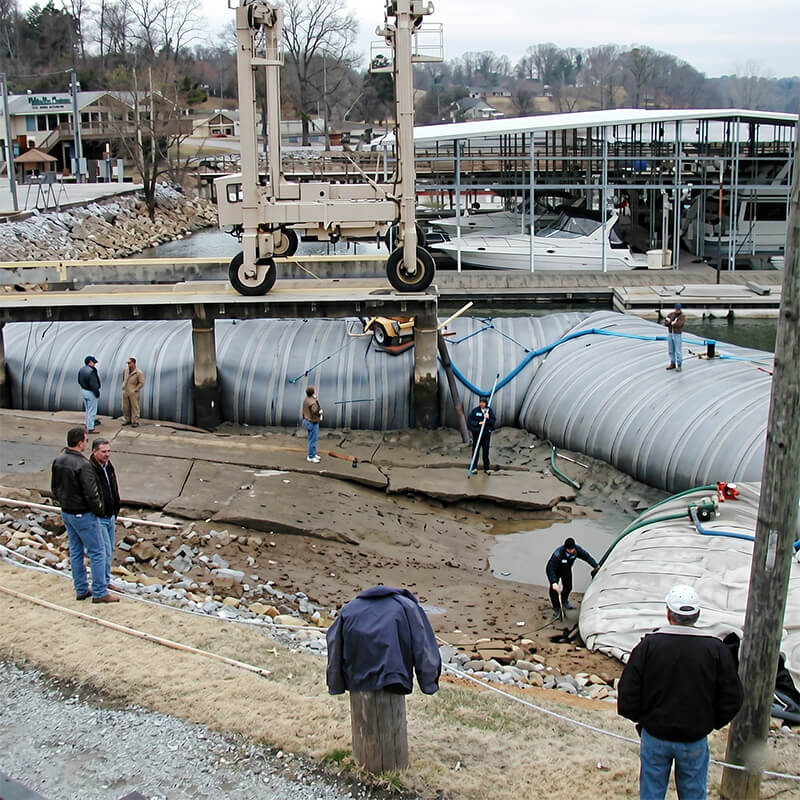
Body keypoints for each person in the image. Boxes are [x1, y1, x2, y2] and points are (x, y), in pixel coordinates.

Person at [618, 585, 743, 800]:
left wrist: (642, 720)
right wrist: (711, 722)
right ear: (697, 615)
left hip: (655, 734)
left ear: (668, 613)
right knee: (693, 795)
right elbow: (733, 696)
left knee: (651, 794)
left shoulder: (649, 646)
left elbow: (628, 690)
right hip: (694, 738)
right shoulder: (715, 650)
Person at [50, 426, 119, 603]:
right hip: (83, 514)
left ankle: (81, 589)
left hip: (67, 512)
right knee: (98, 552)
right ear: (81, 443)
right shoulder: (83, 464)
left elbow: (54, 488)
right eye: (86, 441)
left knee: (75, 551)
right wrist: (99, 511)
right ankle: (100, 592)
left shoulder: (59, 460)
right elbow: (91, 493)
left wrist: (63, 504)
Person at [90, 437, 121, 592]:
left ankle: (105, 580)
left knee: (110, 551)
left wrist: (115, 509)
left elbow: (113, 487)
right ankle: (100, 585)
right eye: (103, 452)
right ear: (94, 452)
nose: (107, 454)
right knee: (104, 552)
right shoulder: (90, 469)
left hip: (110, 516)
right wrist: (99, 510)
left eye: (109, 451)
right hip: (99, 517)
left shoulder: (108, 467)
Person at [545, 536, 598, 617]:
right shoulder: (558, 553)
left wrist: (595, 565)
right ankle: (557, 608)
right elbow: (550, 568)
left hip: (566, 569)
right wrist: (553, 582)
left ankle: (564, 600)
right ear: (565, 548)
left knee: (568, 587)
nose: (571, 551)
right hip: (556, 571)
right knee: (554, 590)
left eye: (572, 549)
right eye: (569, 550)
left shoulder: (577, 550)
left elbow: (586, 557)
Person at [467, 396, 496, 473]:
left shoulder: (489, 411)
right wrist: (478, 423)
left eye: (483, 402)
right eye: (480, 402)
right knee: (475, 451)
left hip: (486, 435)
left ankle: (486, 468)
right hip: (477, 434)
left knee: (485, 452)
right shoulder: (475, 411)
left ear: (486, 403)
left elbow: (493, 421)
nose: (481, 404)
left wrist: (488, 418)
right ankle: (474, 468)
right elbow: (470, 421)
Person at [78, 355, 101, 432]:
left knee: (88, 410)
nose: (94, 364)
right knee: (92, 411)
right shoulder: (91, 371)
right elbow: (93, 384)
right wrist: (97, 392)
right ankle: (90, 428)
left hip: (84, 391)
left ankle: (87, 425)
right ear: (90, 362)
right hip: (91, 392)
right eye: (93, 362)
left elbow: (79, 381)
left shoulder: (82, 370)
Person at [121, 357, 145, 427]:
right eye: (127, 363)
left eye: (129, 363)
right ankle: (127, 420)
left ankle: (135, 421)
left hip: (133, 392)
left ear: (133, 363)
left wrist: (135, 389)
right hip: (126, 391)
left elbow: (141, 382)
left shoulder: (138, 372)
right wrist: (124, 385)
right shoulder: (125, 370)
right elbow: (123, 378)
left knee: (135, 407)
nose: (128, 365)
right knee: (125, 407)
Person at [302, 385, 322, 463]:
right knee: (313, 440)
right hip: (312, 422)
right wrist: (320, 412)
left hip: (307, 421)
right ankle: (311, 456)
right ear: (312, 392)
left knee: (312, 438)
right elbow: (315, 411)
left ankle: (313, 453)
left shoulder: (307, 399)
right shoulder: (312, 402)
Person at [664, 303, 686, 372]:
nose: (677, 310)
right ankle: (672, 363)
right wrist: (671, 322)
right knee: (671, 350)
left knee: (678, 350)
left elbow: (679, 324)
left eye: (678, 309)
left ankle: (679, 365)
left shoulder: (682, 316)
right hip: (670, 333)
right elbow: (666, 323)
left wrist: (671, 323)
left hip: (677, 334)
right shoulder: (670, 314)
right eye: (676, 309)